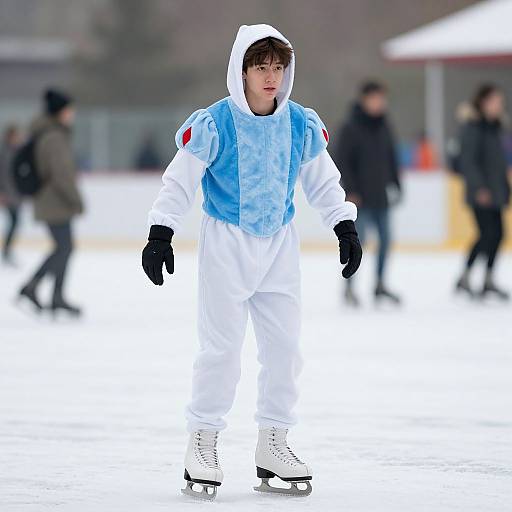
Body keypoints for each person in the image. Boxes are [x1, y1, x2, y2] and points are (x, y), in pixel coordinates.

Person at [142, 25, 362, 500]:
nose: (271, 77)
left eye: (278, 67)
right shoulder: (215, 124)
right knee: (220, 350)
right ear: (240, 71)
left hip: (280, 246)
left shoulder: (300, 124)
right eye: (261, 67)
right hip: (227, 244)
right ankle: (202, 441)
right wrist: (161, 231)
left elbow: (323, 182)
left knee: (285, 348)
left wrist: (343, 224)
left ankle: (273, 442)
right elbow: (180, 181)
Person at [333, 80, 401, 307]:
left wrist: (397, 184)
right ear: (364, 100)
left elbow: (391, 157)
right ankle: (350, 287)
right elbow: (341, 160)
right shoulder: (350, 127)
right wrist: (350, 189)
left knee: (386, 241)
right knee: (357, 244)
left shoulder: (384, 126)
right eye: (375, 98)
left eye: (382, 98)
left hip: (380, 196)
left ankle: (380, 284)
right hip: (358, 199)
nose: (379, 103)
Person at [18, 88, 84, 315]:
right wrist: (76, 199)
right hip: (54, 200)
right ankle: (35, 287)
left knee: (63, 247)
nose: (72, 114)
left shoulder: (48, 133)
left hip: (49, 199)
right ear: (60, 112)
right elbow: (61, 173)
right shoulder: (54, 136)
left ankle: (53, 294)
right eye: (69, 109)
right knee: (64, 247)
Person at [455, 84, 510, 300]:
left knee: (498, 235)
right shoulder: (473, 127)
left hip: (496, 191)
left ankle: (488, 278)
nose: (499, 105)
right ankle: (465, 276)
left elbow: (498, 161)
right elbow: (467, 161)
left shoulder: (495, 127)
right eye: (495, 101)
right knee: (486, 234)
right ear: (483, 102)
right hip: (481, 192)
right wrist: (479, 187)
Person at [0, 124, 22, 265]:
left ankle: (7, 251)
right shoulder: (3, 152)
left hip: (14, 194)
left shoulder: (17, 151)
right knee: (14, 221)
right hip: (6, 193)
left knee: (15, 222)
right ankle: (6, 251)